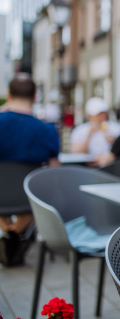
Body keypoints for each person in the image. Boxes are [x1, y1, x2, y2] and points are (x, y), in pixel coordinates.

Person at [0, 75, 60, 266]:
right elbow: (54, 172)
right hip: (28, 198)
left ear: (8, 94)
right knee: (43, 194)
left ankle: (7, 232)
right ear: (35, 96)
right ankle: (15, 233)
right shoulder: (48, 130)